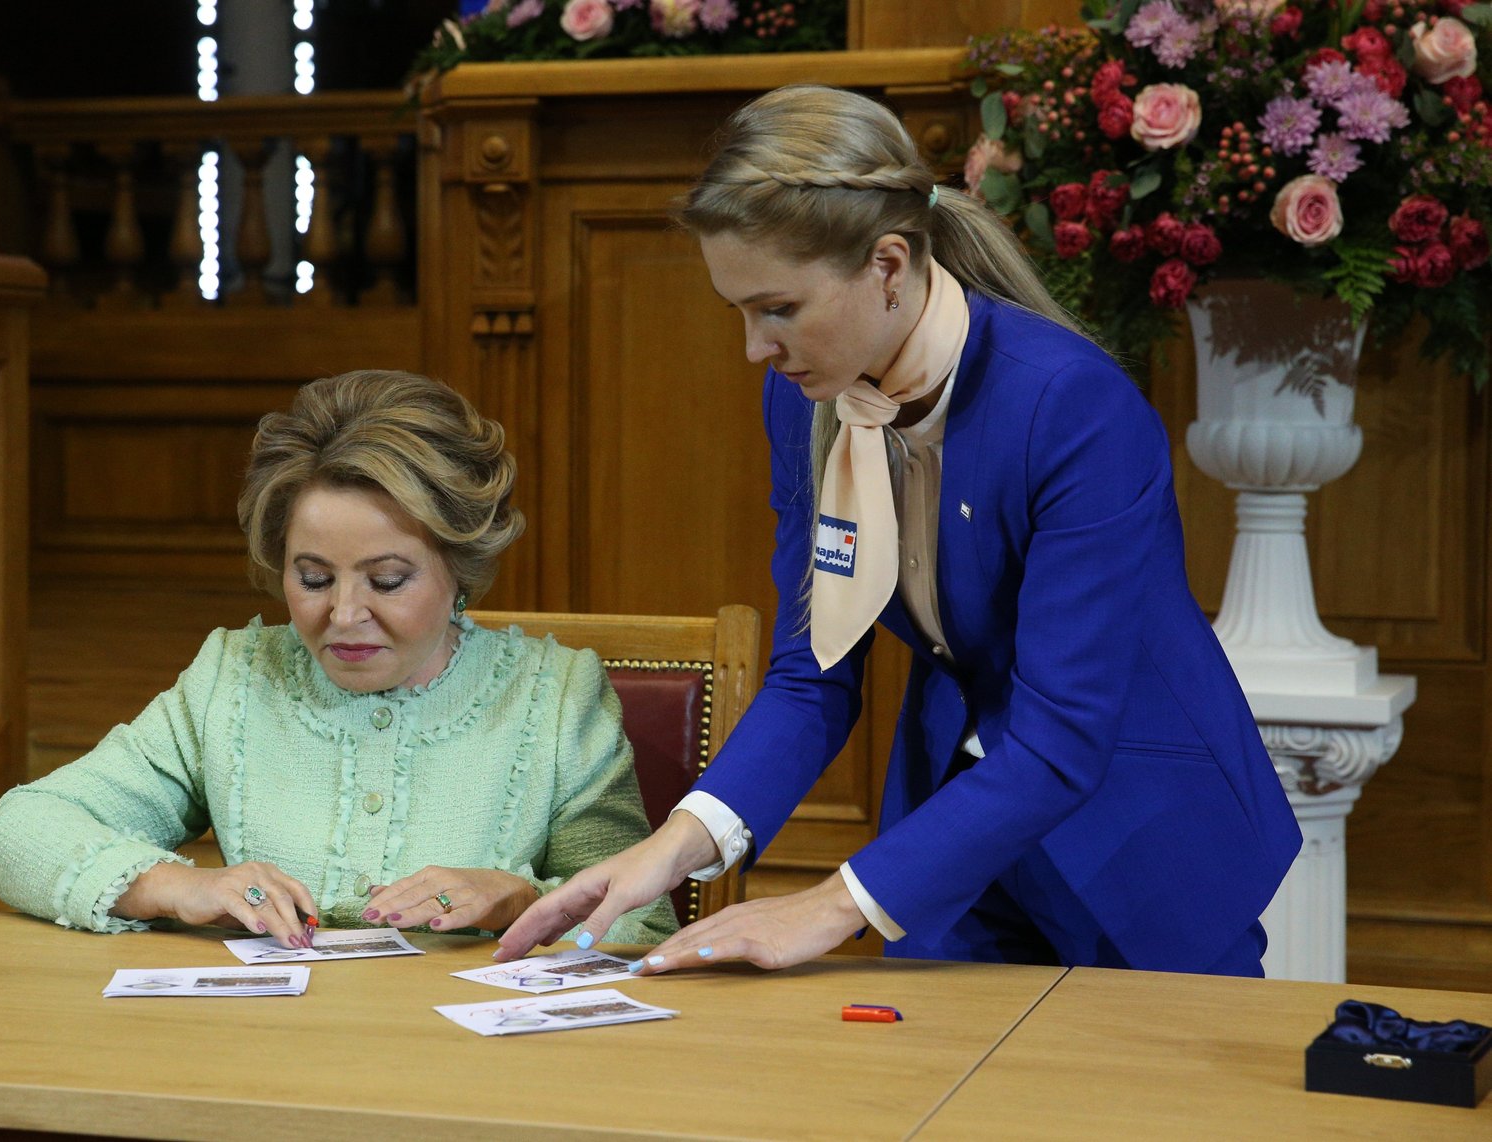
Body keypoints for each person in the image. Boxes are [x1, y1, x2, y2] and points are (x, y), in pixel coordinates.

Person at [496, 85, 1302, 977]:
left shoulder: (1073, 406)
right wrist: (676, 844)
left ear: (887, 264)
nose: (755, 348)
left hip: (1141, 832)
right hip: (950, 850)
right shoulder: (803, 394)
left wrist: (830, 904)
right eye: (740, 313)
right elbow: (815, 676)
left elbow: (1064, 735)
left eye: (778, 309)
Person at [0, 370, 676, 945]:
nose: (342, 615)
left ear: (460, 567)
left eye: (387, 580)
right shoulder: (235, 678)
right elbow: (16, 832)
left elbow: (642, 923)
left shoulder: (555, 699)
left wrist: (518, 900)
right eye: (312, 578)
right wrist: (180, 886)